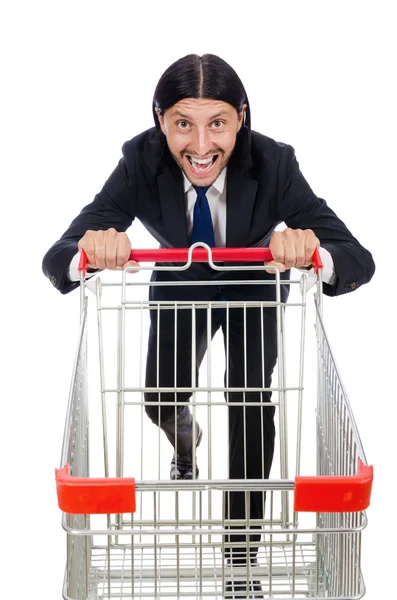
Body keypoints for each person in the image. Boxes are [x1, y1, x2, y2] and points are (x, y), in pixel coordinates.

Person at [43, 54, 375, 597]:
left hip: (253, 289)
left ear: (241, 118)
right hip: (179, 286)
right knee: (158, 398)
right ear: (160, 122)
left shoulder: (274, 164)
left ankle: (241, 561)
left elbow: (356, 256)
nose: (200, 146)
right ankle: (185, 442)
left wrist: (310, 250)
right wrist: (91, 250)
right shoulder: (139, 161)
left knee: (248, 403)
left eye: (217, 122)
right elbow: (57, 255)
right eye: (182, 124)